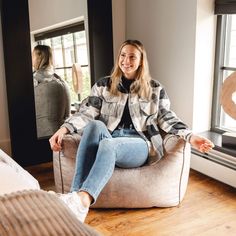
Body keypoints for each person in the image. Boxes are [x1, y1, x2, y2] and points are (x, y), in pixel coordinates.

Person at [49, 39, 214, 222]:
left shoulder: (154, 88)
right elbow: (87, 112)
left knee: (108, 144)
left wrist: (191, 137)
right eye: (123, 55)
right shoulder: (103, 85)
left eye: (132, 57)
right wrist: (64, 129)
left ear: (141, 61)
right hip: (109, 139)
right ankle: (74, 199)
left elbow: (167, 117)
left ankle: (83, 199)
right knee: (95, 126)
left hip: (139, 144)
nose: (126, 60)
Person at [32, 45, 71, 137]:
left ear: (38, 57)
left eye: (32, 56)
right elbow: (67, 114)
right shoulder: (61, 80)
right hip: (62, 134)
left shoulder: (34, 80)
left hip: (42, 135)